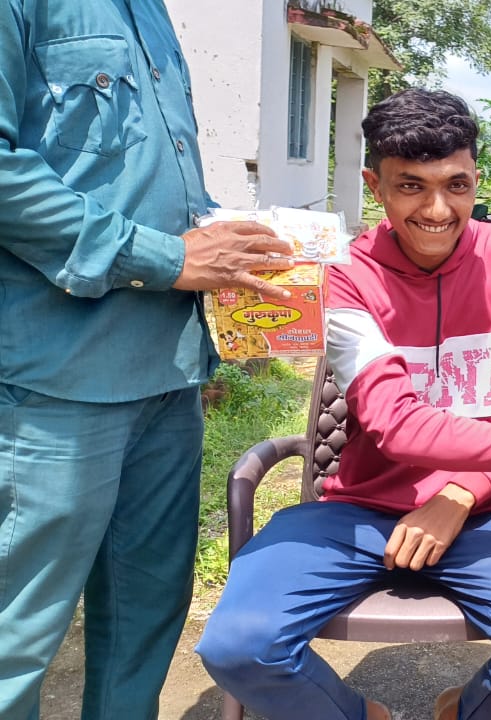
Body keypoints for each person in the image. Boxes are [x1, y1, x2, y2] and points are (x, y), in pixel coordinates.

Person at [195, 89, 491, 720]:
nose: (437, 209)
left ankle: (463, 711)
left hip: (485, 512)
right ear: (376, 186)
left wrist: (458, 497)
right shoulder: (344, 275)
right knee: (239, 648)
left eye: (457, 184)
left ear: (477, 177)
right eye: (411, 187)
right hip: (358, 507)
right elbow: (394, 424)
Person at [0, 4, 298, 719]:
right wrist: (168, 258)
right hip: (59, 380)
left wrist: (233, 235)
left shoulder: (150, 13)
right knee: (18, 631)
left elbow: (137, 182)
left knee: (145, 615)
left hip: (169, 375)